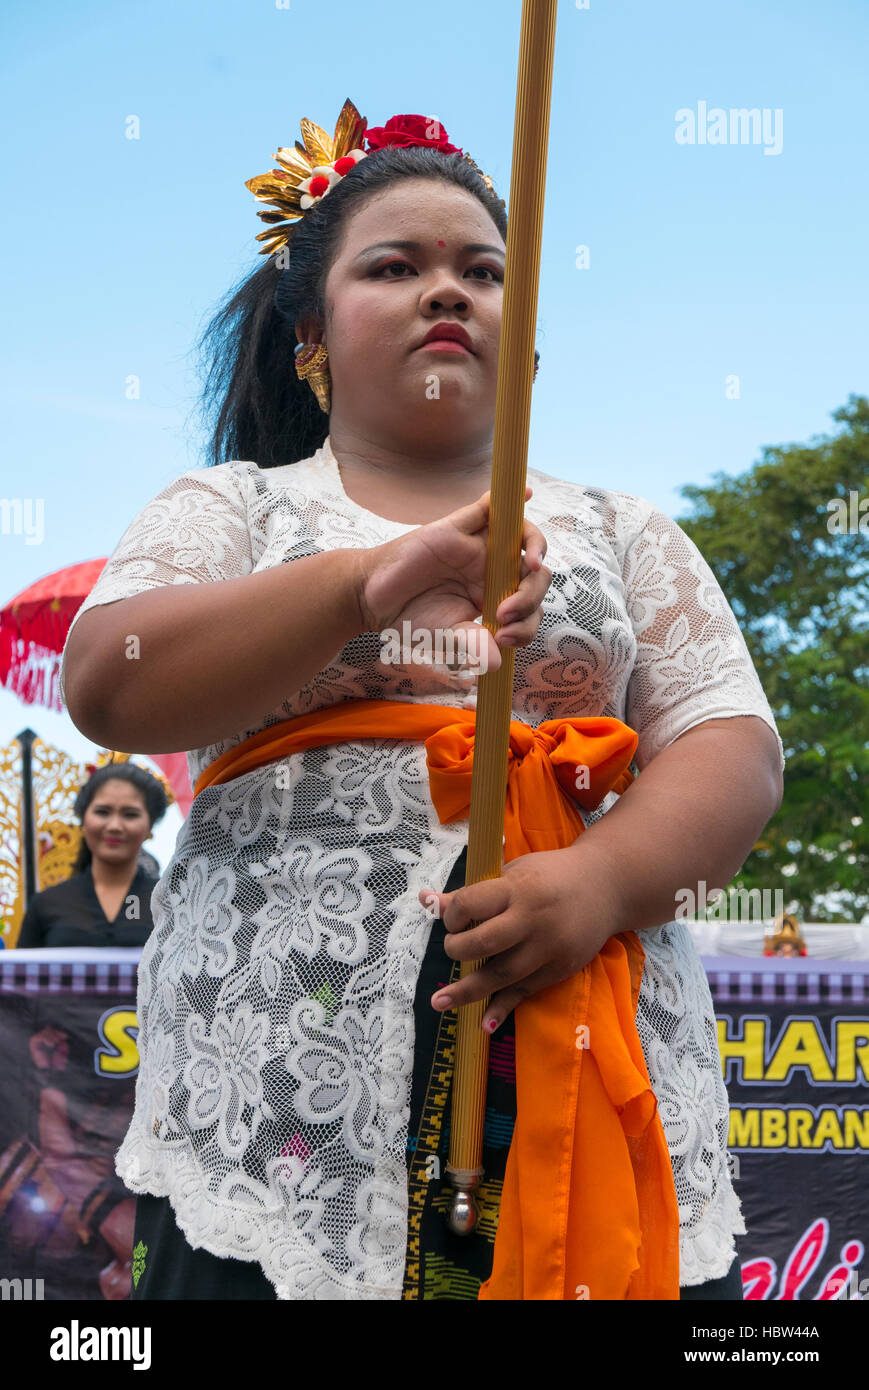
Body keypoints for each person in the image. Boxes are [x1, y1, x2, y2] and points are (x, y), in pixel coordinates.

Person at [60, 101, 784, 1301]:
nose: (444, 291)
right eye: (393, 266)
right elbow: (110, 681)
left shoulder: (623, 529)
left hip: (584, 1043)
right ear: (312, 335)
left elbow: (730, 742)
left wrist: (602, 879)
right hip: (283, 1096)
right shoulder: (233, 507)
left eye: (481, 271)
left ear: (528, 347)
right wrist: (359, 584)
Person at [17, 763, 167, 949]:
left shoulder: (170, 904)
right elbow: (19, 975)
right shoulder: (46, 904)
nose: (114, 826)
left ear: (150, 827)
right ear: (83, 821)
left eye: (130, 815)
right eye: (102, 812)